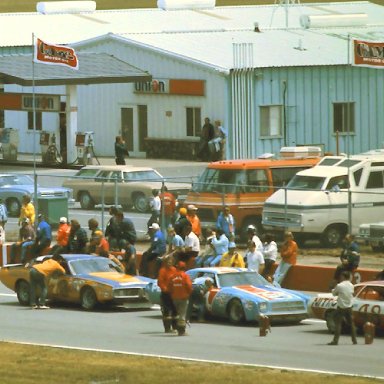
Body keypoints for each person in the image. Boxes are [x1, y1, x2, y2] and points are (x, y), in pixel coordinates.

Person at [328, 271, 358, 346]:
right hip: (349, 306)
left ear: (343, 277)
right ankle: (354, 340)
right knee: (351, 324)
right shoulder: (351, 285)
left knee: (338, 324)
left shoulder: (340, 285)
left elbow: (334, 293)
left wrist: (333, 289)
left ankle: (335, 341)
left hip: (341, 306)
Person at [167, 261, 193, 336]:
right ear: (184, 268)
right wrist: (188, 294)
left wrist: (172, 294)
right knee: (182, 314)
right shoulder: (185, 276)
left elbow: (169, 287)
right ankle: (181, 331)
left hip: (174, 298)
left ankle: (175, 328)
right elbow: (189, 286)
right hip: (183, 298)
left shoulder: (172, 276)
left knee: (176, 314)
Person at [157, 255, 178, 333]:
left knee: (175, 311)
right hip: (166, 294)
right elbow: (160, 282)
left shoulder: (174, 270)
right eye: (168, 262)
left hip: (174, 294)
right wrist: (165, 289)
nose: (169, 263)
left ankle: (175, 327)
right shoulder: (162, 270)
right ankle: (167, 328)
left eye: (171, 262)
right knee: (166, 311)